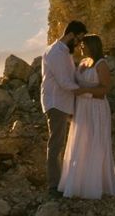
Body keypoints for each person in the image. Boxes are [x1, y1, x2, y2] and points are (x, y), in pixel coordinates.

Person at [58, 34, 115, 199]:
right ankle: (78, 183)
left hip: (96, 108)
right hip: (82, 108)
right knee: (81, 142)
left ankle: (96, 184)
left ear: (92, 46)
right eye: (81, 45)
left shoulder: (101, 65)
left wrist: (85, 91)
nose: (81, 48)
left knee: (96, 142)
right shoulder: (83, 63)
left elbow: (104, 90)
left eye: (84, 45)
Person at [40, 20, 88, 198]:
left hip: (64, 102)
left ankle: (66, 180)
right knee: (56, 144)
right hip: (56, 103)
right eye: (78, 39)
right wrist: (89, 91)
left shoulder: (65, 52)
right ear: (70, 35)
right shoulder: (55, 53)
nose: (79, 43)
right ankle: (54, 186)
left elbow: (70, 77)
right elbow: (64, 82)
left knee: (67, 143)